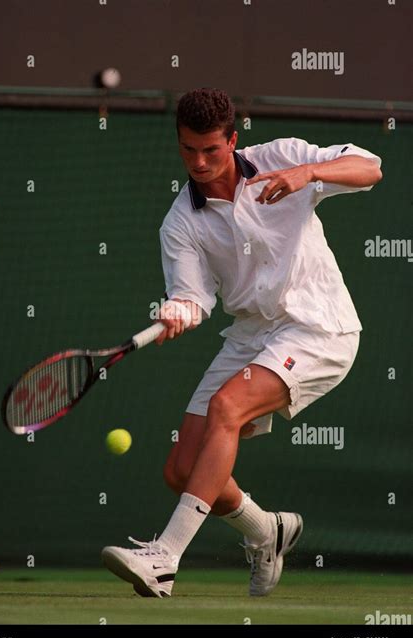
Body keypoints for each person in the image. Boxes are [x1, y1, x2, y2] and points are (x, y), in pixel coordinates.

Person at [102, 88, 382, 597]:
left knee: (227, 407)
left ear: (233, 140)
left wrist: (310, 173)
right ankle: (266, 530)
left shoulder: (283, 158)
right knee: (182, 468)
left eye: (211, 149)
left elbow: (370, 169)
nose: (201, 162)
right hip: (252, 334)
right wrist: (177, 309)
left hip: (318, 326)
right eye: (189, 150)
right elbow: (193, 297)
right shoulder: (181, 222)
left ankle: (164, 558)